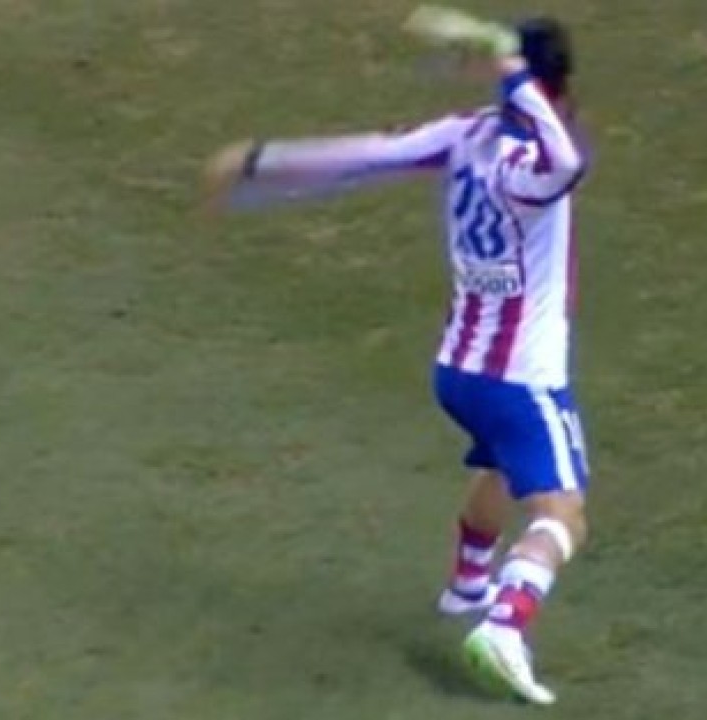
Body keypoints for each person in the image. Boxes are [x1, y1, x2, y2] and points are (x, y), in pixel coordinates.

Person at [202, 8, 589, 705]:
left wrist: (262, 161)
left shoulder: (463, 136)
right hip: (520, 378)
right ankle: (504, 627)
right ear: (556, 87)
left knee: (501, 462)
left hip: (459, 371)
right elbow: (566, 160)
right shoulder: (531, 167)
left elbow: (367, 155)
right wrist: (516, 77)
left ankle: (467, 586)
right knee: (562, 514)